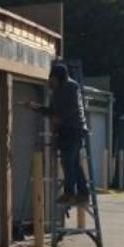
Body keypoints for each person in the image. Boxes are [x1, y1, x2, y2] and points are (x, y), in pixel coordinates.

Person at [32, 62, 89, 207]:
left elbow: (73, 108)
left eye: (52, 79)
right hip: (65, 130)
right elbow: (51, 111)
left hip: (74, 128)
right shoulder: (56, 91)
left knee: (68, 161)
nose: (50, 82)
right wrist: (36, 108)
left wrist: (60, 118)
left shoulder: (71, 87)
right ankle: (83, 193)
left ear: (59, 77)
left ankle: (70, 193)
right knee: (73, 163)